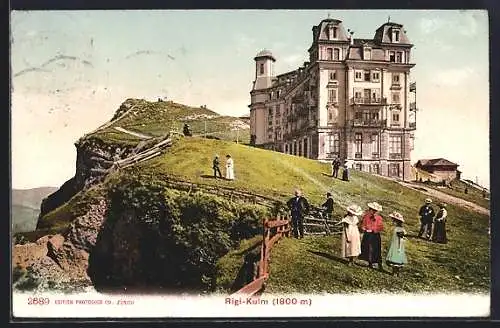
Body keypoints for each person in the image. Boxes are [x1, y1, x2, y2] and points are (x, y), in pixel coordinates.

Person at [359, 202, 384, 270]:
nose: (373, 211)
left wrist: (374, 230)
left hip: (375, 235)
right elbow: (363, 224)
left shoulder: (379, 218)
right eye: (372, 210)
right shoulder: (366, 216)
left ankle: (379, 264)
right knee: (368, 248)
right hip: (368, 234)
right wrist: (364, 228)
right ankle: (370, 262)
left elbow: (380, 227)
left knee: (376, 249)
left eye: (374, 210)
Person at [385, 212, 408, 277]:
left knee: (396, 256)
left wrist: (402, 236)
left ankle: (396, 272)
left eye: (394, 220)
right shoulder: (396, 228)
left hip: (398, 244)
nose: (393, 222)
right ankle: (395, 271)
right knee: (396, 256)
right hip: (394, 243)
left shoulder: (398, 229)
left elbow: (403, 235)